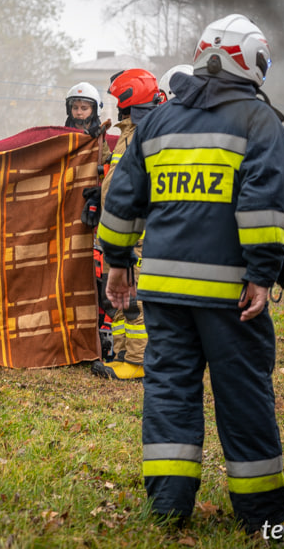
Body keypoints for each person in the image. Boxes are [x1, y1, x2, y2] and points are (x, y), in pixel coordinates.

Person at [98, 14, 284, 532]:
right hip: (231, 295)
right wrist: (262, 273)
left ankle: (166, 508)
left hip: (163, 290)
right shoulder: (260, 122)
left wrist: (117, 262)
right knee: (244, 399)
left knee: (169, 395)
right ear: (251, 61)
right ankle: (261, 519)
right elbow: (264, 209)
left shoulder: (158, 120)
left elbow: (122, 199)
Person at [90, 68, 161, 381]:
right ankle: (121, 354)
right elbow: (115, 175)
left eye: (118, 97)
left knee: (133, 302)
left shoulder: (143, 135)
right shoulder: (129, 133)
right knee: (118, 298)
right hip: (117, 233)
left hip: (136, 236)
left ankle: (136, 361)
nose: (115, 103)